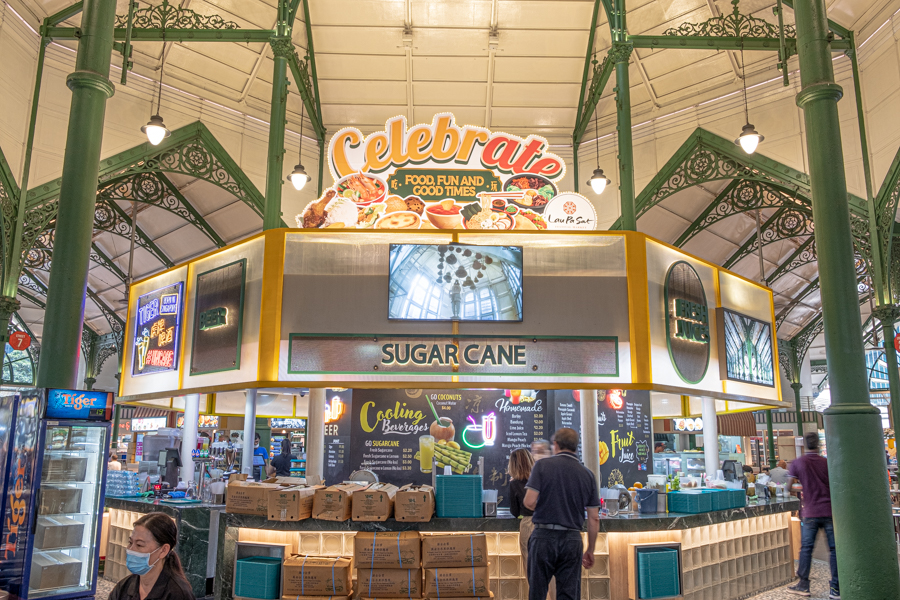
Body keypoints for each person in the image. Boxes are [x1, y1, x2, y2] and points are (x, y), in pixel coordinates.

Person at [523, 428, 600, 600]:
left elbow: (528, 501)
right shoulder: (588, 475)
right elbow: (594, 518)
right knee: (568, 594)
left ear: (555, 445)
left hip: (543, 536)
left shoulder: (542, 466)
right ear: (575, 446)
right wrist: (591, 550)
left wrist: (548, 508)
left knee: (537, 592)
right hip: (572, 539)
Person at [785, 433, 838, 599]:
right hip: (829, 511)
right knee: (834, 550)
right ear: (818, 445)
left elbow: (788, 486)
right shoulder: (826, 462)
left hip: (810, 512)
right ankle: (836, 588)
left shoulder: (798, 463)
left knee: (806, 549)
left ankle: (803, 585)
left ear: (805, 445)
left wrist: (802, 487)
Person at [109, 512, 195, 600]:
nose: (131, 549)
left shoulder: (178, 594)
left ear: (163, 550)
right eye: (130, 543)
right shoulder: (123, 587)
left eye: (139, 545)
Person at [509, 449, 556, 600]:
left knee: (532, 571)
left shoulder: (514, 484)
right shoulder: (543, 479)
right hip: (548, 524)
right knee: (551, 569)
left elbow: (514, 511)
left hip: (528, 525)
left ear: (513, 465)